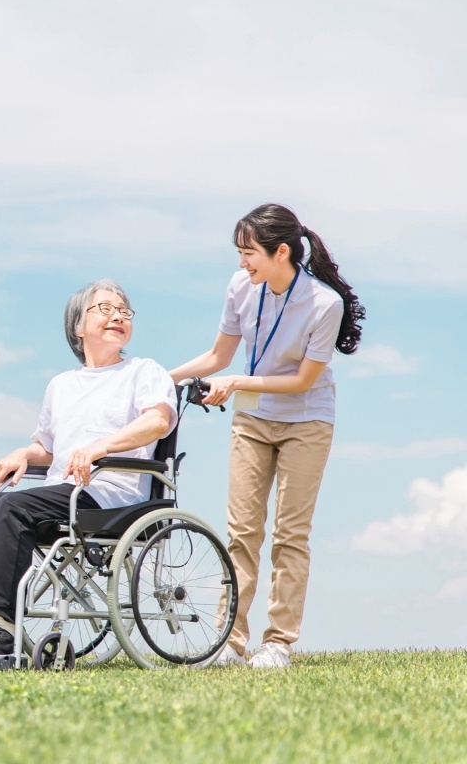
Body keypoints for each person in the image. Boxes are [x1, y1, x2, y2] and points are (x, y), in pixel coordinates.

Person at [0, 279, 177, 667]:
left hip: (112, 495)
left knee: (13, 508)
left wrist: (102, 446)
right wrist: (24, 454)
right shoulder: (62, 385)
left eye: (124, 311)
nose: (117, 315)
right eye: (104, 308)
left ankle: (3, 628)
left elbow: (157, 422)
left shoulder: (144, 372)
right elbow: (50, 448)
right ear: (78, 327)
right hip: (63, 490)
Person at [170, 204, 365, 668]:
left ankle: (278, 643)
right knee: (241, 533)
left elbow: (301, 381)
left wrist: (236, 383)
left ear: (281, 252)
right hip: (253, 419)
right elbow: (220, 356)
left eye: (248, 252)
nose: (242, 263)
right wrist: (159, 377)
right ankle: (230, 642)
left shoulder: (324, 304)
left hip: (306, 420)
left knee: (289, 535)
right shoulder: (242, 287)